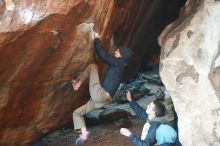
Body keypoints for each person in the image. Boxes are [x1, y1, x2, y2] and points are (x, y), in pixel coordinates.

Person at [72, 32, 133, 145]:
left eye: (118, 51)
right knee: (77, 113)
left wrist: (96, 40)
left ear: (122, 55)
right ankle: (84, 133)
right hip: (104, 100)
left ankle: (77, 84)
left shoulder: (120, 62)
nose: (115, 51)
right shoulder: (121, 65)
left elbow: (104, 57)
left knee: (92, 66)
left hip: (101, 94)